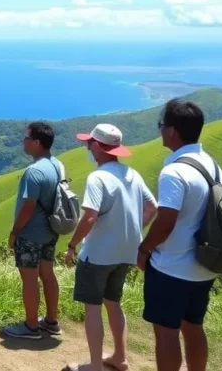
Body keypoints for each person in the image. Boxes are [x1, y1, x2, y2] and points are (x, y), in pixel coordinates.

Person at [62, 125, 158, 371]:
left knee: (92, 308)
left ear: (97, 146)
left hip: (98, 253)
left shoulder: (98, 177)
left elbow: (90, 217)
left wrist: (72, 245)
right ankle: (120, 358)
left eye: (89, 144)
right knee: (113, 303)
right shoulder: (132, 174)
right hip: (126, 252)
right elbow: (152, 207)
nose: (88, 148)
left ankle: (95, 366)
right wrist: (133, 231)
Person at [138, 100, 222, 371]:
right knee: (193, 326)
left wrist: (144, 249)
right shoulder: (212, 165)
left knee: (166, 332)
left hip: (172, 267)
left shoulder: (174, 171)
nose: (160, 130)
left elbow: (166, 222)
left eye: (161, 125)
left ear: (172, 131)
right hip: (204, 265)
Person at [3, 121, 64, 340]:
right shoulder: (57, 165)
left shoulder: (34, 172)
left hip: (30, 234)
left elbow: (28, 206)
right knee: (48, 274)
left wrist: (15, 231)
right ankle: (51, 321)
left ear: (37, 143)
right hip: (50, 231)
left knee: (29, 279)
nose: (23, 141)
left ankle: (31, 326)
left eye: (26, 138)